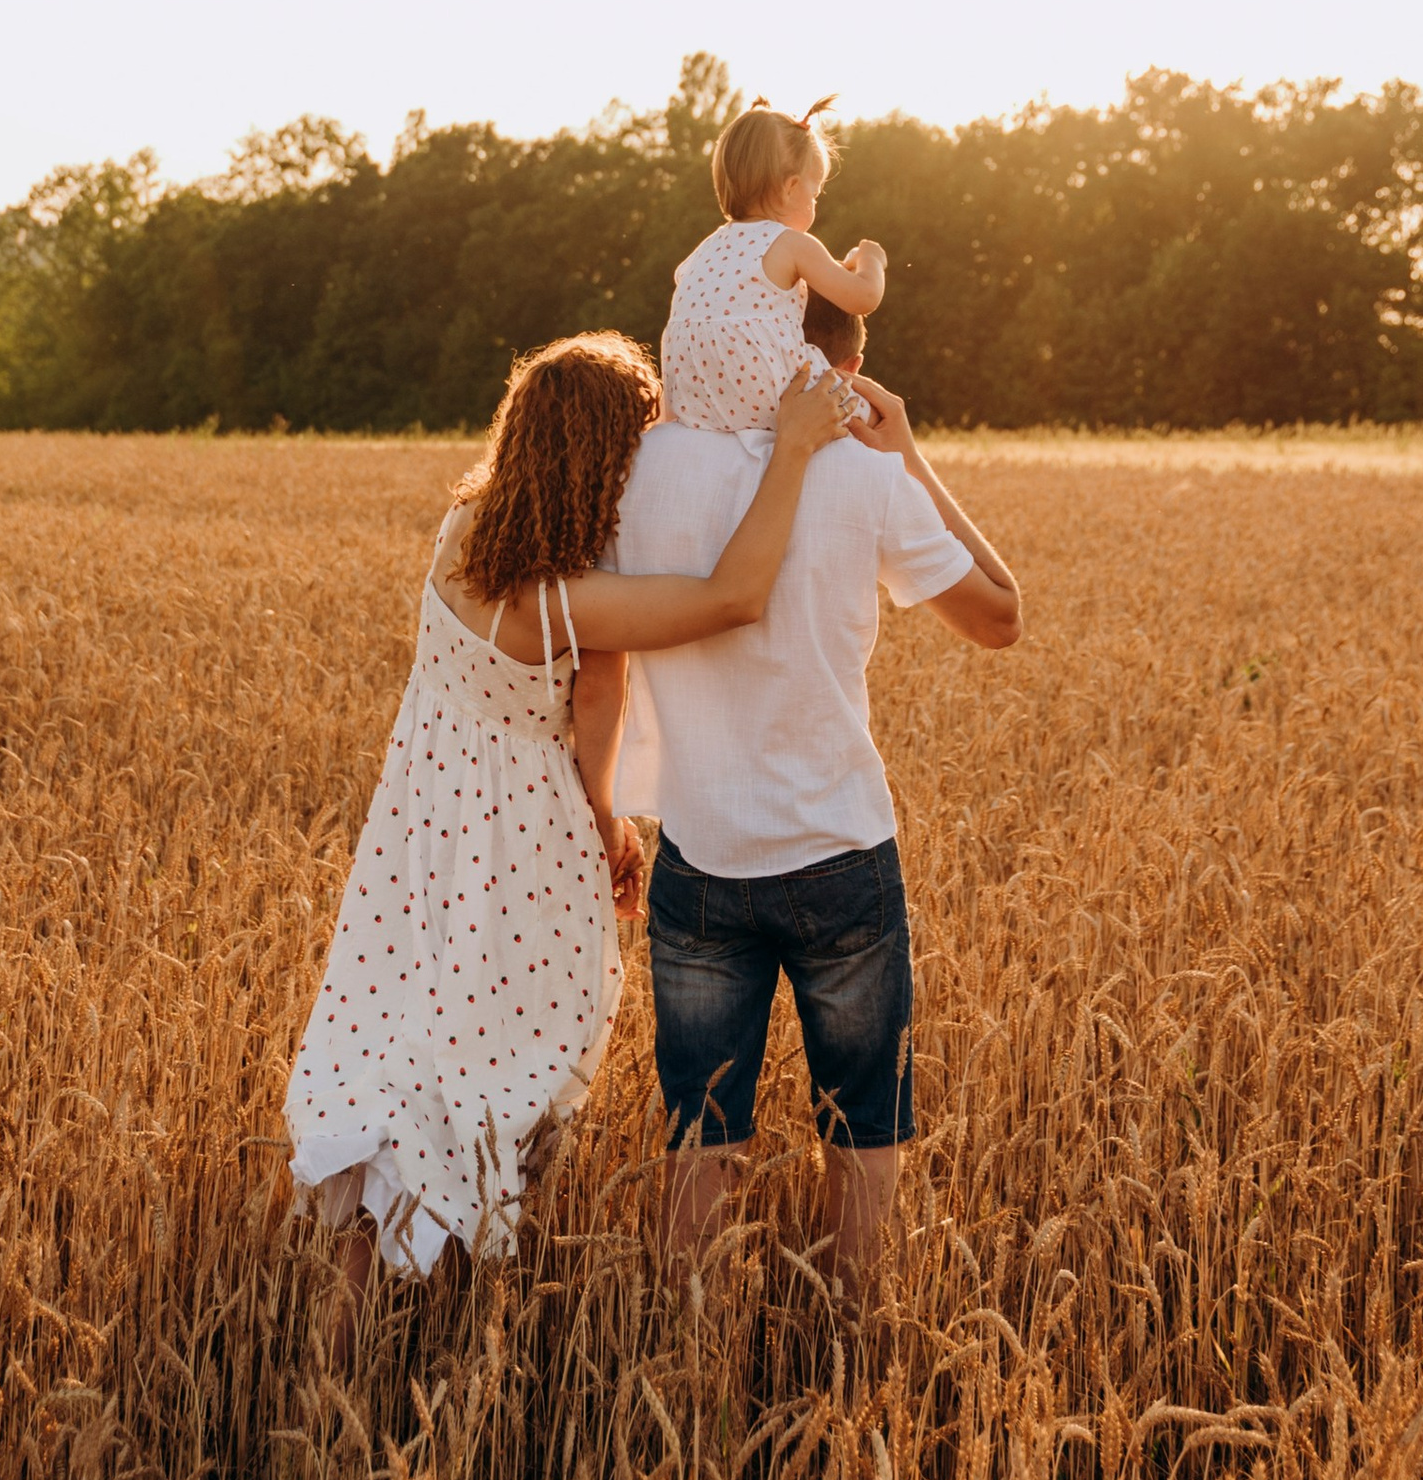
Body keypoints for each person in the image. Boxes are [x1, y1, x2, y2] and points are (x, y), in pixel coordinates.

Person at [285, 332, 852, 1339]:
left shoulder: (459, 530)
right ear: (606, 460)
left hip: (416, 839)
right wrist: (797, 448)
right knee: (496, 1074)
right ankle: (452, 1317)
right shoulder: (569, 602)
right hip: (519, 854)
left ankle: (353, 1331)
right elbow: (731, 597)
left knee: (404, 1057)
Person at [603, 351, 1022, 1284]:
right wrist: (908, 454)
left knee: (697, 1134)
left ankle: (684, 1370)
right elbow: (1000, 617)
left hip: (701, 856)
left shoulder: (642, 467)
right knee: (864, 1126)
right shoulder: (862, 471)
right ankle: (851, 1351)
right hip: (842, 855)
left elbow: (592, 658)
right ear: (847, 364)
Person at [660, 95, 888, 437]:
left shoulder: (701, 253)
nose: (815, 202)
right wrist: (872, 259)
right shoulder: (791, 243)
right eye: (815, 193)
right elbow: (864, 298)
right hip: (768, 397)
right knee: (875, 412)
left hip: (694, 402)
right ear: (792, 188)